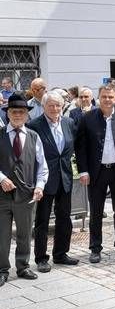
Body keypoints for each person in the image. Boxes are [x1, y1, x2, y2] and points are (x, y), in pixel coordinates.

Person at [76, 85, 115, 264]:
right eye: (104, 97)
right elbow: (80, 147)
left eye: (111, 97)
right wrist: (83, 170)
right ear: (99, 97)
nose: (107, 100)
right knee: (96, 212)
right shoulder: (87, 118)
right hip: (97, 172)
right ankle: (95, 248)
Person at [0, 92, 48, 286]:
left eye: (21, 112)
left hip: (26, 195)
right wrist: (1, 178)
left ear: (27, 115)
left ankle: (22, 266)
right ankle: (3, 269)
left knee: (24, 232)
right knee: (2, 234)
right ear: (8, 113)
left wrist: (39, 186)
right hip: (2, 195)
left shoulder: (34, 137)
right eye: (14, 111)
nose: (17, 115)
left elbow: (42, 166)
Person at [27, 92, 79, 272]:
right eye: (51, 105)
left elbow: (71, 149)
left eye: (58, 105)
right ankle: (41, 258)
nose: (55, 109)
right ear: (43, 106)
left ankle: (61, 253)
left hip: (65, 178)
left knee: (65, 217)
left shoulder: (68, 123)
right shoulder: (34, 125)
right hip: (44, 179)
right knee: (42, 220)